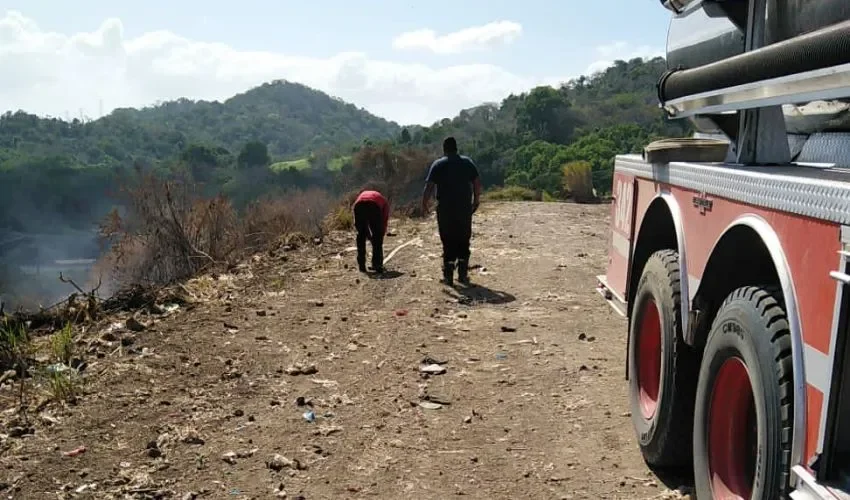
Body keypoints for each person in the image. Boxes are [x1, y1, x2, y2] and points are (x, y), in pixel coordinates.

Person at [421, 136, 482, 286]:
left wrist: (424, 204)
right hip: (463, 207)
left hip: (445, 209)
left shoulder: (438, 164)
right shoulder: (467, 163)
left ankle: (448, 276)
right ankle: (462, 273)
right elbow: (476, 182)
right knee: (463, 237)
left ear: (444, 149)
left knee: (447, 239)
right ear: (456, 148)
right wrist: (476, 200)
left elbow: (429, 187)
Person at [352, 189, 390, 273]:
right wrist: (381, 233)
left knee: (361, 235)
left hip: (358, 205)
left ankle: (361, 265)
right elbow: (384, 220)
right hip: (374, 205)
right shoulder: (384, 202)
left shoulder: (362, 196)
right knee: (377, 236)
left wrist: (364, 232)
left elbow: (357, 221)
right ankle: (377, 265)